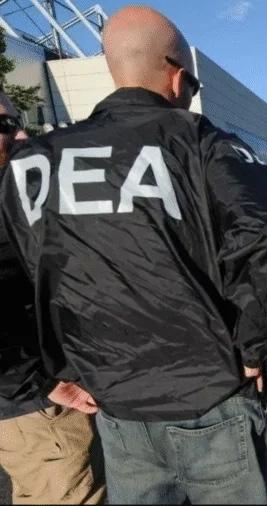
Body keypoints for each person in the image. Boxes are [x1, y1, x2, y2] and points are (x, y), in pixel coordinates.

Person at [0, 6, 267, 505]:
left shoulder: (34, 163)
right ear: (175, 75)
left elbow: (18, 276)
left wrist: (40, 374)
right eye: (192, 84)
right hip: (209, 389)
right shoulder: (198, 141)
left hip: (113, 399)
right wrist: (254, 343)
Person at [0, 92, 105, 505]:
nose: (22, 135)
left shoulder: (13, 191)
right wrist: (40, 384)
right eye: (6, 126)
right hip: (31, 403)